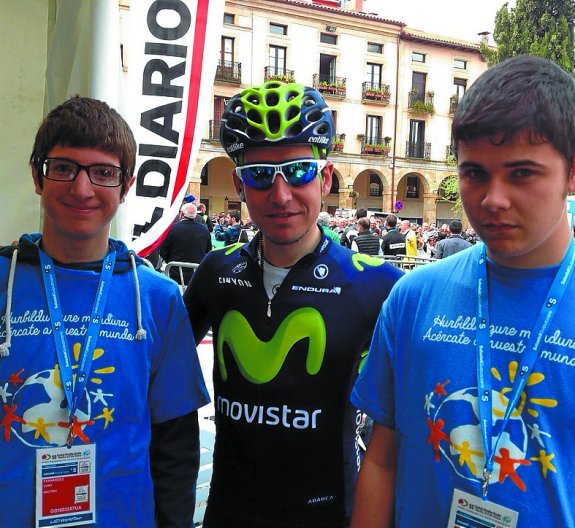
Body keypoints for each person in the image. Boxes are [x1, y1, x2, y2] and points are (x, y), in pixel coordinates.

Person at [350, 55, 575, 528]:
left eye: (521, 173)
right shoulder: (412, 298)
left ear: (571, 173)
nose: (492, 199)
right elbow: (382, 459)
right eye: (474, 173)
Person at [184, 81, 403, 528]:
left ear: (325, 178)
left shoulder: (378, 284)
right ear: (241, 185)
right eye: (261, 175)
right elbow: (156, 383)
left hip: (328, 516)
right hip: (229, 513)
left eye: (299, 171)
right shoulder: (214, 272)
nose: (281, 195)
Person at [0, 97, 209, 527]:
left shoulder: (156, 297)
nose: (82, 188)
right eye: (64, 168)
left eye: (103, 173)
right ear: (38, 177)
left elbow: (176, 448)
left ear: (125, 186)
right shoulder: (2, 282)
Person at [160, 202, 212, 284]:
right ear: (195, 215)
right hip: (197, 272)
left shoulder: (172, 228)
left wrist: (171, 261)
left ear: (181, 214)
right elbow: (209, 250)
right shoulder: (204, 229)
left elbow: (163, 250)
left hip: (175, 271)